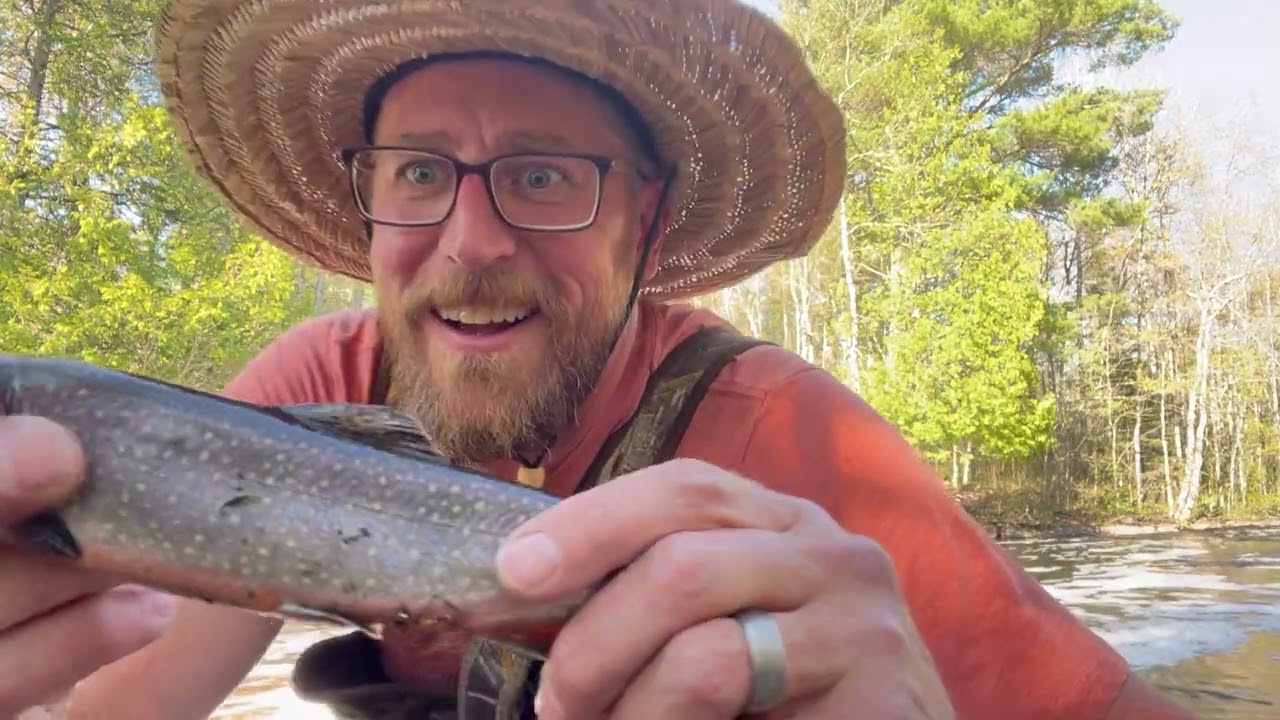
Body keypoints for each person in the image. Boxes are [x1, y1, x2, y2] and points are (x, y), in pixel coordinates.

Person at [0, 0, 1194, 718]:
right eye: (419, 173)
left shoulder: (788, 442)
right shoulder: (315, 384)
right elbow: (127, 696)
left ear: (650, 227)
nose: (470, 244)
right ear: (366, 204)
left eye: (541, 178)